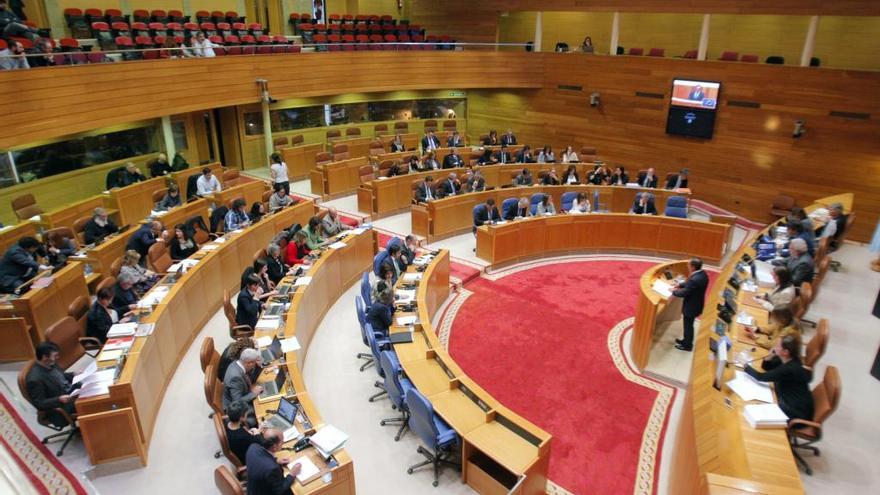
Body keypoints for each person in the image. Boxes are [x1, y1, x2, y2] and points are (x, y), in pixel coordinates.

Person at [744, 334, 814, 423]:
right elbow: (766, 367)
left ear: (785, 352)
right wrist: (770, 356)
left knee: (756, 409)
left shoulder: (789, 368)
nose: (774, 347)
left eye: (777, 346)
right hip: (793, 400)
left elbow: (761, 377)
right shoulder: (789, 359)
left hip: (795, 412)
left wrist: (745, 366)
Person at [25, 342, 79, 428]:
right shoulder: (34, 379)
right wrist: (59, 399)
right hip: (62, 405)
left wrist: (73, 374)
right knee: (91, 402)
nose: (58, 357)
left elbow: (60, 376)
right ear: (44, 357)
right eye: (55, 355)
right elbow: (39, 403)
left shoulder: (51, 363)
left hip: (71, 391)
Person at [245, 429, 302, 495]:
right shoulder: (272, 468)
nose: (283, 443)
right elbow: (280, 491)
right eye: (282, 442)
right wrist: (292, 474)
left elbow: (260, 463)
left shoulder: (253, 447)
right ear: (274, 447)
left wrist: (276, 461)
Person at [672, 257, 709, 351]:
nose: (687, 266)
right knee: (689, 325)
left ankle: (687, 345)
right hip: (697, 304)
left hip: (691, 306)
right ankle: (685, 341)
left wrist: (673, 291)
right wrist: (680, 285)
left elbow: (685, 292)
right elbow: (689, 284)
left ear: (693, 267)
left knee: (688, 326)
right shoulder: (702, 274)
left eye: (688, 265)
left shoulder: (695, 279)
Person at [222, 347, 263, 425]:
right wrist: (253, 394)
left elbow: (249, 378)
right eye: (255, 363)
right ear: (249, 363)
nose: (255, 365)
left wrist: (259, 367)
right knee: (261, 411)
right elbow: (237, 401)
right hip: (234, 408)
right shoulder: (235, 377)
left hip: (242, 393)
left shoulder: (237, 363)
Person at [225, 400, 261, 464]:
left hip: (241, 448)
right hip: (249, 458)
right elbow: (260, 443)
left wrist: (250, 432)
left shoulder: (227, 424)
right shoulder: (242, 436)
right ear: (241, 418)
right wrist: (257, 433)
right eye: (246, 414)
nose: (247, 415)